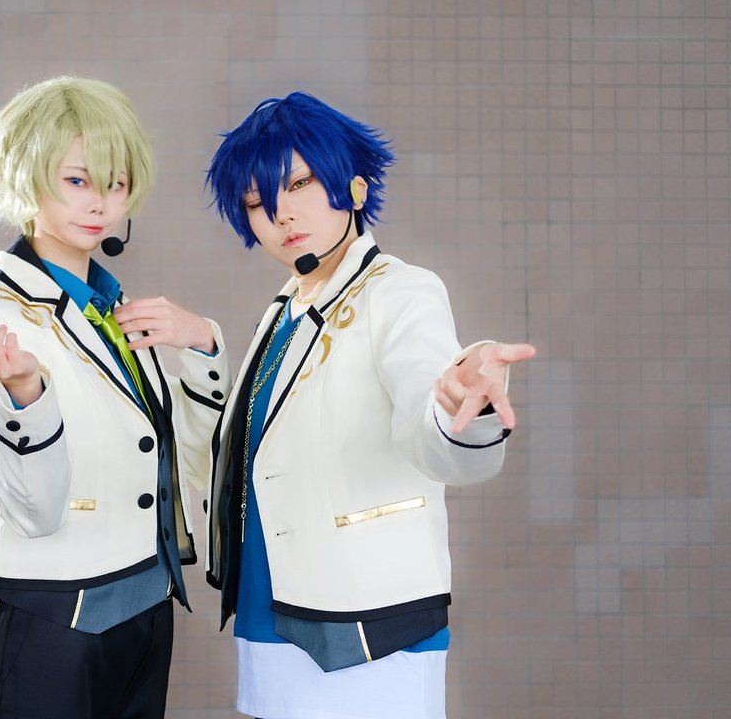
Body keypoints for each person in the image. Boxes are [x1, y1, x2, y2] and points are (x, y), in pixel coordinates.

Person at [203, 91, 536, 719]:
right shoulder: (283, 311)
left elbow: (431, 432)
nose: (280, 212)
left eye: (299, 183)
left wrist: (460, 404)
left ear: (353, 187)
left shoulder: (401, 292)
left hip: (368, 626)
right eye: (256, 201)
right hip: (270, 614)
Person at [0, 75, 229, 719]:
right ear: (25, 175)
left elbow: (184, 458)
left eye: (116, 184)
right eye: (77, 180)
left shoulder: (117, 309)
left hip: (147, 610)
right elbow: (34, 512)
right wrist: (27, 393)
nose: (101, 204)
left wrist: (204, 347)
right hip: (50, 618)